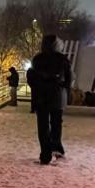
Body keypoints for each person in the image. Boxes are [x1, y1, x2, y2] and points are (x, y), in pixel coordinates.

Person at [30, 35, 72, 165]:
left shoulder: (38, 59)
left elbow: (32, 78)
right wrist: (65, 89)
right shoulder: (62, 59)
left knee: (43, 126)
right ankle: (57, 149)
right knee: (56, 124)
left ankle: (45, 155)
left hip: (41, 96)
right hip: (57, 96)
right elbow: (68, 78)